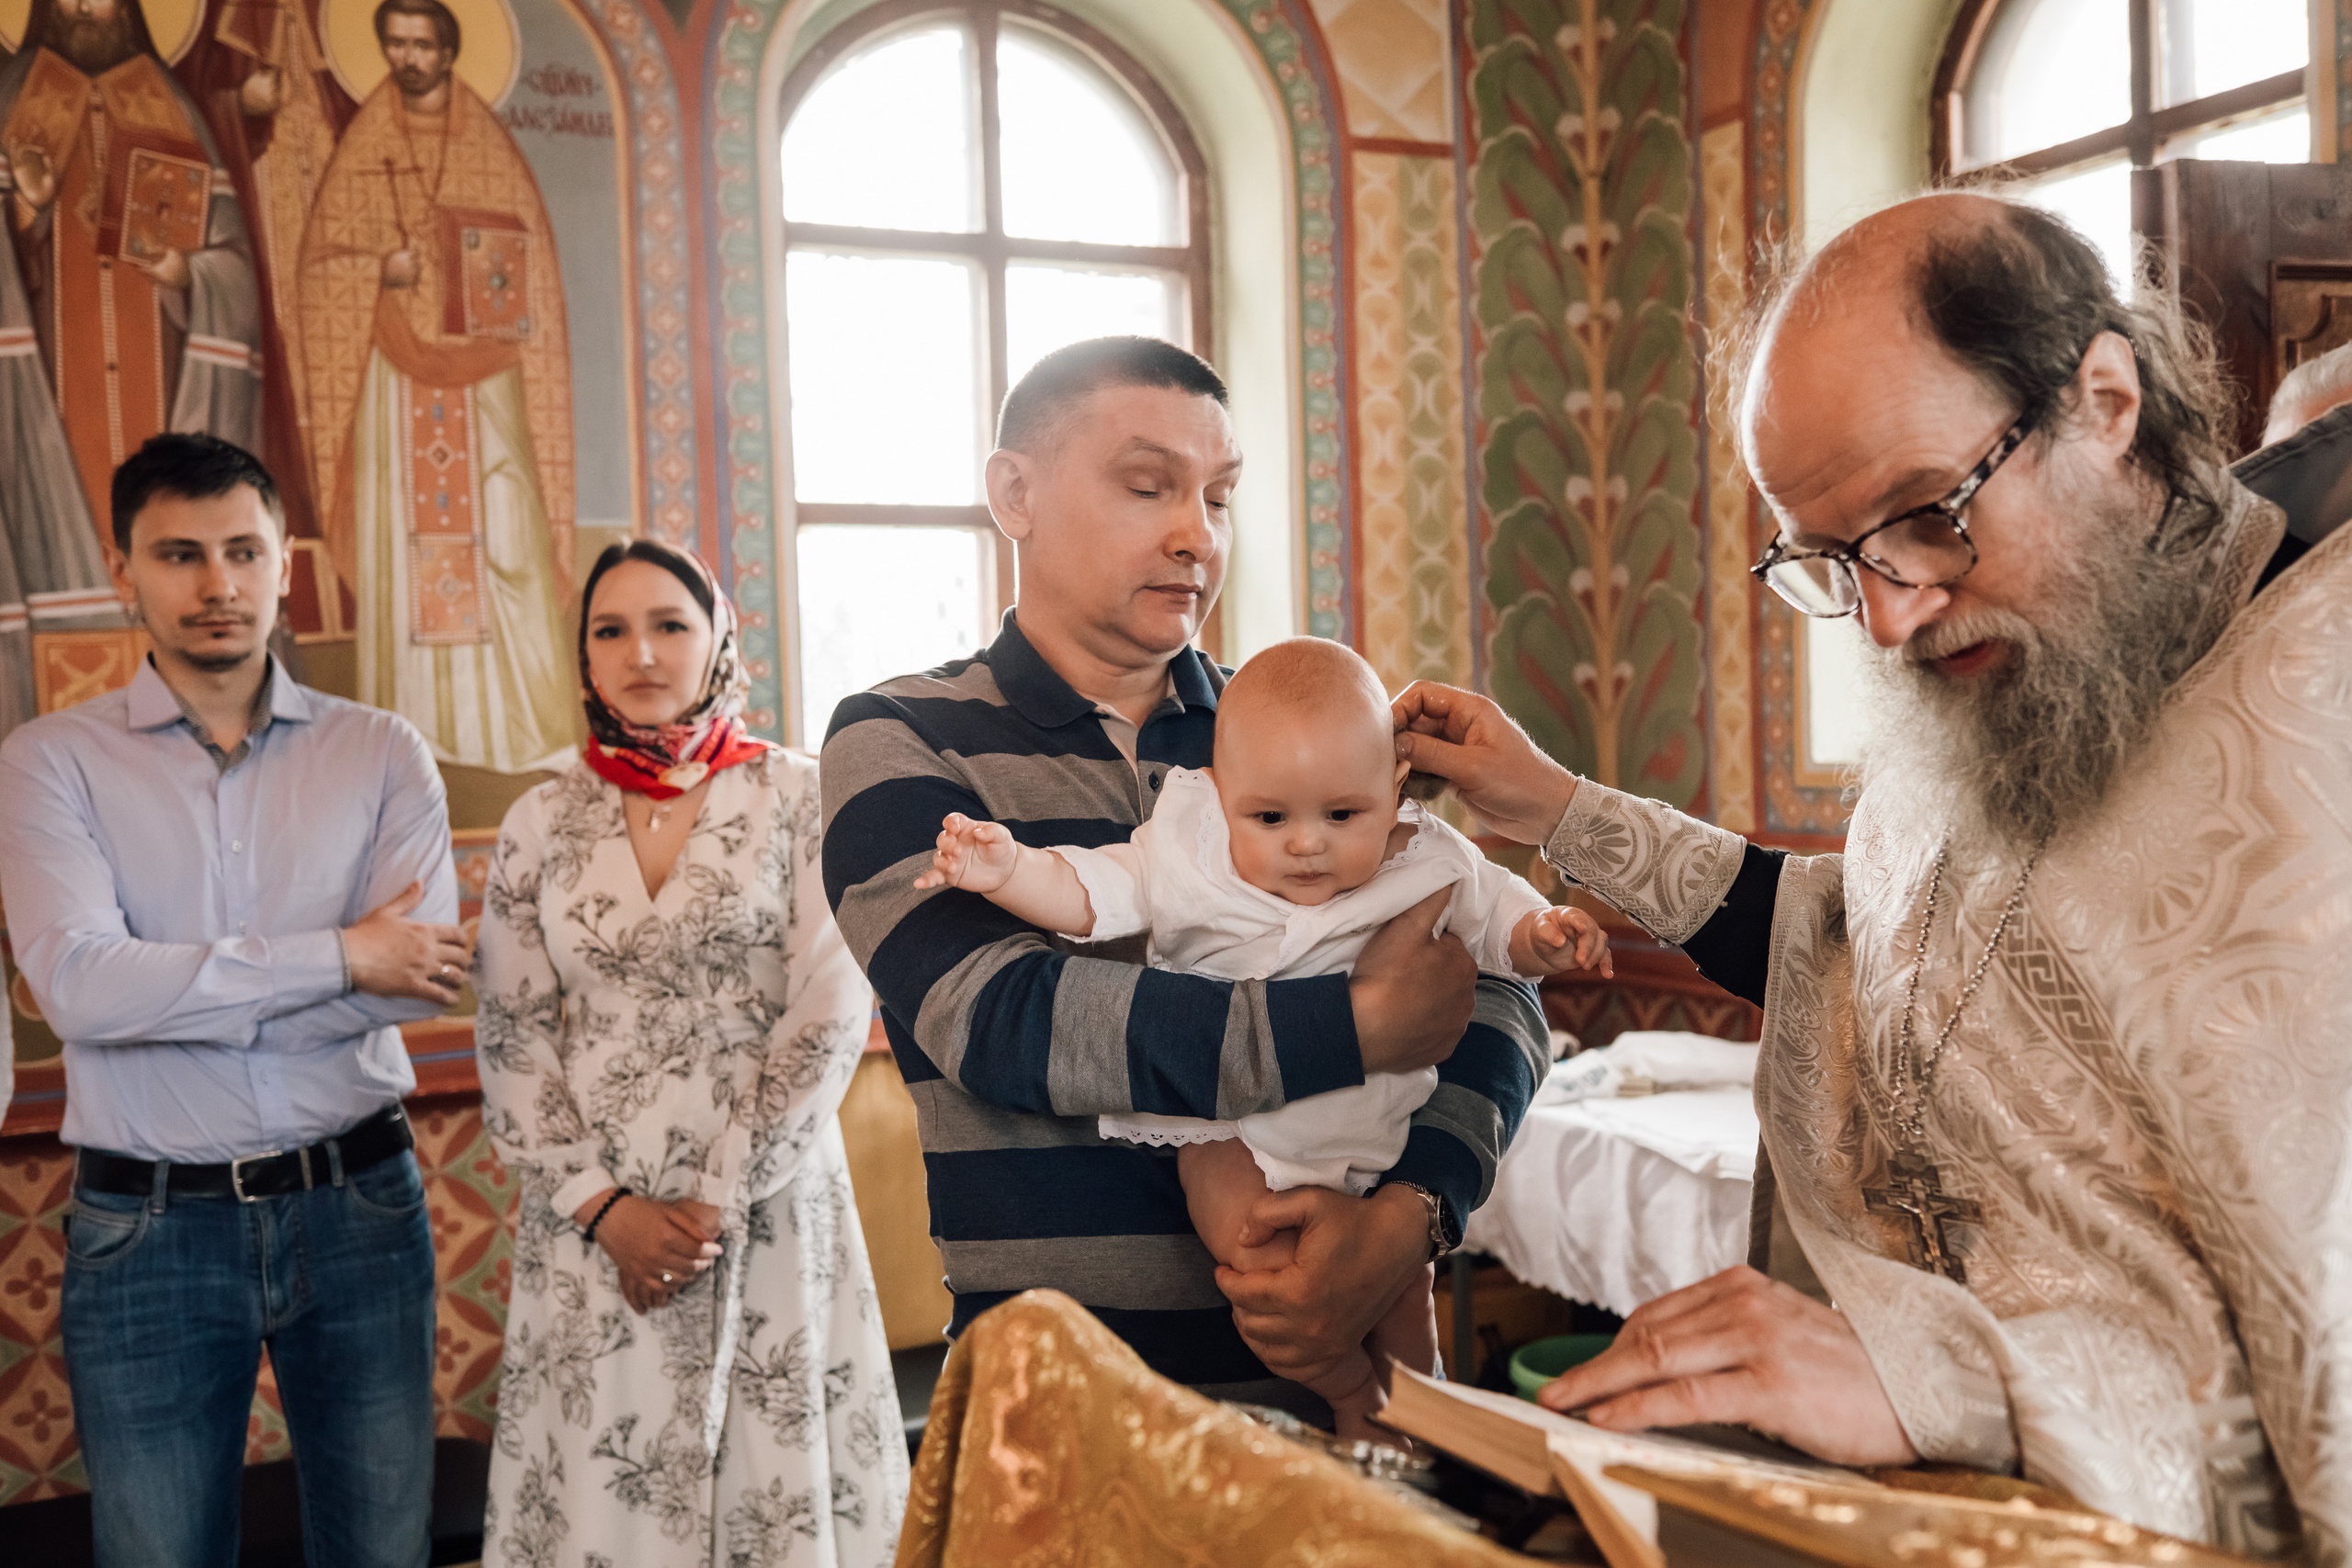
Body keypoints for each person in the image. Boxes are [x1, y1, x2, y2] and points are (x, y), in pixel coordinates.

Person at [1395, 192, 2349, 1558]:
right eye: (1833, 559)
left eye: (1923, 515)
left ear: (2103, 398)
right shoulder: (2012, 662)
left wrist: (1948, 1376)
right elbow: (1871, 953)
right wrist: (1554, 804)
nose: (1890, 611)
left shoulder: (2318, 730)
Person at [821, 335, 1552, 1419]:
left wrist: (1405, 1218)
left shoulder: (1297, 728)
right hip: (1067, 1398)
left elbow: (1489, 983)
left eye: (1217, 497)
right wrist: (1349, 1024)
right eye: (1147, 486)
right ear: (1013, 492)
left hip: (1340, 1387)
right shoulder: (899, 739)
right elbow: (1003, 1020)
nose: (1193, 536)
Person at [917, 636, 1609, 1438]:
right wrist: (1011, 872)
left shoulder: (1426, 854)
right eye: (1270, 816)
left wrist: (1543, 933)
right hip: (1235, 1132)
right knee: (1261, 1267)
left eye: (1342, 814)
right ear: (1218, 791)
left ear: (1393, 788)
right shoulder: (1192, 850)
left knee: (1406, 1300)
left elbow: (1497, 927)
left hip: (1380, 1135)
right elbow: (1097, 891)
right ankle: (1349, 1391)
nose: (1307, 843)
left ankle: (1418, 1425)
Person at [0, 433, 466, 1568]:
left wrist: (188, 982)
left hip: (360, 1198)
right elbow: (79, 990)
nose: (218, 585)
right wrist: (342, 956)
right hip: (149, 1226)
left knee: (383, 1550)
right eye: (180, 554)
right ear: (125, 573)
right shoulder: (48, 763)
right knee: (158, 1554)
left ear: (284, 566)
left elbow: (421, 978)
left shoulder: (382, 753)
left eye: (243, 552)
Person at [474, 538, 904, 1567]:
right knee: (599, 1479)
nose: (642, 652)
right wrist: (603, 1207)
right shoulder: (541, 819)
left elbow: (832, 1000)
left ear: (718, 638)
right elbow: (509, 1027)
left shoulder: (800, 795)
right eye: (610, 629)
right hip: (592, 1214)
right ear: (582, 658)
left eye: (670, 623)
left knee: (772, 1484)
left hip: (765, 1196)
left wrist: (721, 1195)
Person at [298, 0, 578, 775]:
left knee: (509, 536)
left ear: (450, 49)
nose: (409, 56)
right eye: (396, 44)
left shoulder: (489, 145)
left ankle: (516, 730)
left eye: (423, 43)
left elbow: (535, 280)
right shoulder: (367, 143)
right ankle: (415, 737)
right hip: (394, 389)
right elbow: (320, 270)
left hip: (485, 390)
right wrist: (377, 275)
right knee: (405, 549)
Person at [0, 0, 265, 739]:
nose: (88, 7)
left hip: (163, 389)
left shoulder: (168, 104)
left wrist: (187, 272)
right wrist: (25, 215)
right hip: (53, 406)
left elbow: (236, 270)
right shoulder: (16, 97)